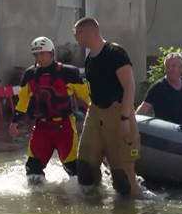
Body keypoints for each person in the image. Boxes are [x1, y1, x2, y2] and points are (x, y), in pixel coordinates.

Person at [9, 36, 91, 185]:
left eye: (42, 53)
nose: (39, 57)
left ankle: (83, 195)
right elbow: (23, 101)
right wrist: (15, 122)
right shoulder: (29, 75)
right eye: (36, 54)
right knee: (32, 168)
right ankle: (38, 202)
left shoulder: (69, 72)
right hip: (41, 127)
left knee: (72, 168)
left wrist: (99, 115)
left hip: (64, 126)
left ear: (51, 53)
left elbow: (87, 96)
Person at [73, 17, 140, 197]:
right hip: (95, 112)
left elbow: (129, 86)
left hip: (118, 112)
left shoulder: (115, 53)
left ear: (88, 32)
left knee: (122, 180)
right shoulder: (89, 59)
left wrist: (125, 118)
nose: (75, 37)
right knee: (85, 168)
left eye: (77, 33)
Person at [136, 52, 182, 126]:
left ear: (181, 68)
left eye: (173, 66)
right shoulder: (157, 88)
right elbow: (142, 110)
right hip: (167, 132)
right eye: (167, 66)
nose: (170, 68)